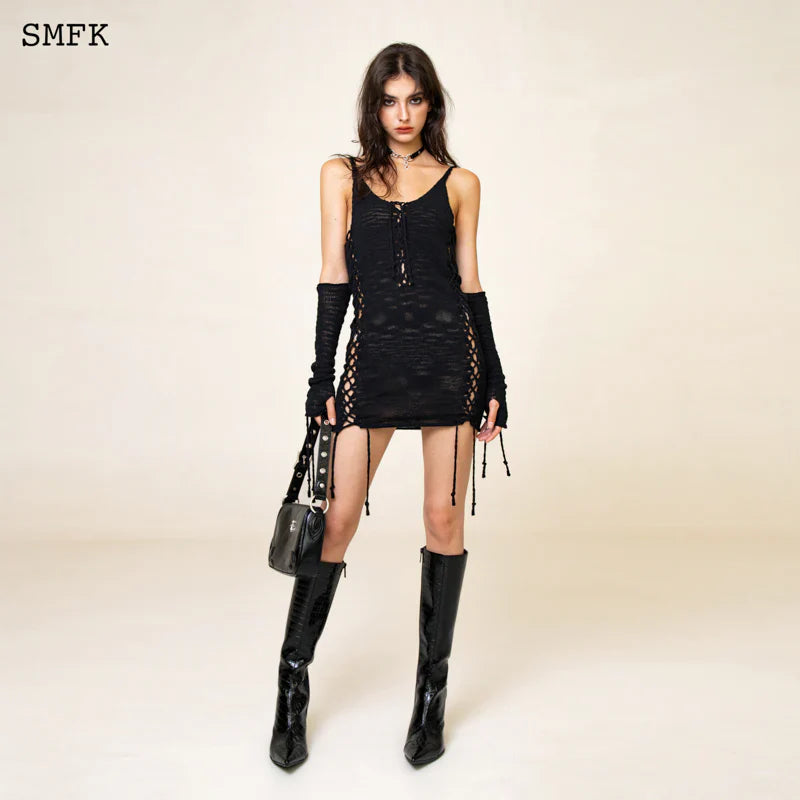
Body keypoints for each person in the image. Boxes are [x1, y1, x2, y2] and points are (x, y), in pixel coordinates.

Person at [269, 42, 511, 769]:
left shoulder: (461, 183)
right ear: (373, 108)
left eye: (414, 99)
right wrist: (321, 377)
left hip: (448, 364)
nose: (402, 114)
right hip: (372, 364)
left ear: (431, 104)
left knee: (443, 520)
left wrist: (494, 377)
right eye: (389, 100)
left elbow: (469, 282)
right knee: (337, 521)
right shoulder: (340, 174)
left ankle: (431, 699)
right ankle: (291, 687)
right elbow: (333, 276)